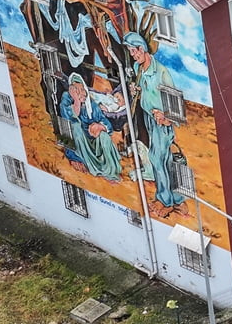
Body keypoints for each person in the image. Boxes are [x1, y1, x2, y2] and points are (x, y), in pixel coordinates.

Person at [123, 32, 186, 215]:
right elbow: (142, 91)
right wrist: (135, 90)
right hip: (149, 118)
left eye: (133, 52)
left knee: (157, 158)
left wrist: (166, 117)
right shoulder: (138, 68)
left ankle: (165, 201)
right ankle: (176, 199)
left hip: (162, 123)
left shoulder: (161, 72)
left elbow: (175, 102)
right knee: (164, 160)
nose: (133, 55)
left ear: (141, 49)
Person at [59, 72, 122, 181]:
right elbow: (67, 118)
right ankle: (78, 159)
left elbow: (108, 125)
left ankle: (110, 172)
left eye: (82, 89)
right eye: (76, 90)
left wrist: (100, 127)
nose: (81, 92)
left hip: (92, 143)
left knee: (104, 137)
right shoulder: (66, 98)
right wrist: (77, 101)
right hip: (78, 145)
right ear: (71, 91)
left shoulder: (91, 105)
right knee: (76, 127)